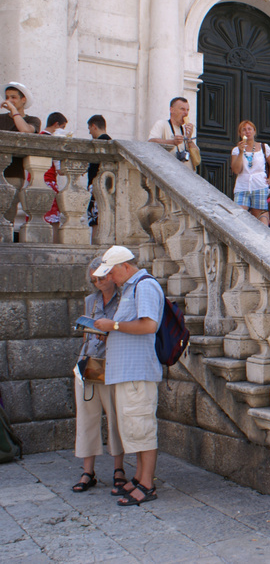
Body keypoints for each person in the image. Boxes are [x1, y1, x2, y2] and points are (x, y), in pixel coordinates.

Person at [91, 246, 165, 506]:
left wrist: (113, 326)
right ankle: (139, 477)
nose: (109, 277)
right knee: (135, 427)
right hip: (128, 371)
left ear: (124, 266)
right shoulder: (132, 287)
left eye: (111, 271)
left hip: (137, 371)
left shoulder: (144, 285)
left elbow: (149, 325)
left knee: (142, 427)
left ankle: (147, 483)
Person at [72, 257, 126, 494]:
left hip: (112, 363)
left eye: (101, 277)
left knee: (114, 418)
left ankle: (119, 468)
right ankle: (88, 471)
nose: (98, 283)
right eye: (94, 279)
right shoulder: (90, 301)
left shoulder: (124, 299)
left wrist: (110, 333)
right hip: (88, 363)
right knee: (86, 417)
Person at [1, 82, 40, 223]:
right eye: (7, 97)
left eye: (13, 97)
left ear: (23, 100)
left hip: (13, 173)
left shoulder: (32, 120)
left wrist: (14, 112)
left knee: (9, 213)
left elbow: (26, 131)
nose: (9, 100)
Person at [231, 120, 270, 217]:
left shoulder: (264, 147)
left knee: (258, 218)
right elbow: (236, 170)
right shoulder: (236, 150)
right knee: (239, 216)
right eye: (244, 130)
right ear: (240, 134)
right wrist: (241, 152)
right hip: (242, 186)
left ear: (254, 131)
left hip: (259, 185)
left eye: (249, 129)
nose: (247, 132)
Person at [148, 97, 199, 168]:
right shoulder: (162, 124)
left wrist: (189, 139)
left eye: (187, 110)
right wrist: (172, 142)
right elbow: (151, 141)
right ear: (172, 110)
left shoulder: (185, 130)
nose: (186, 113)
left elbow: (197, 160)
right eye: (182, 109)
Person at [39, 112, 69, 232]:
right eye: (62, 128)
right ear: (56, 125)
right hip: (49, 180)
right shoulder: (53, 140)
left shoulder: (38, 137)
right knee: (53, 220)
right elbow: (60, 170)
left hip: (34, 180)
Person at [85, 115, 112, 229]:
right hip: (108, 187)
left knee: (95, 221)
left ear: (94, 126)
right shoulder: (111, 142)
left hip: (96, 186)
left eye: (89, 128)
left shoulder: (97, 143)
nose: (90, 132)